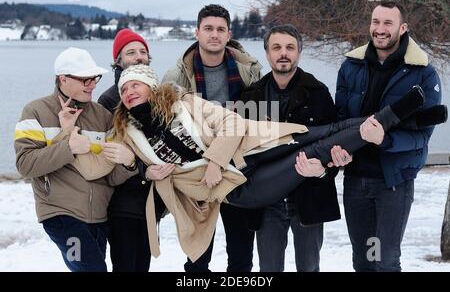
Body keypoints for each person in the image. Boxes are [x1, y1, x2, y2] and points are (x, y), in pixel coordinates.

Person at [70, 63, 446, 265]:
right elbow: (94, 169)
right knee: (310, 156)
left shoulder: (186, 104)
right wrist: (77, 141)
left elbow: (232, 122)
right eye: (123, 89)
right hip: (238, 190)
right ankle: (400, 116)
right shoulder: (126, 136)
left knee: (316, 132)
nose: (129, 90)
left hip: (244, 152)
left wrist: (216, 158)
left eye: (135, 84)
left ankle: (399, 117)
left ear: (152, 87)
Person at [334, 2, 442, 271]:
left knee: (385, 261)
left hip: (393, 181)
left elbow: (422, 138)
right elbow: (338, 121)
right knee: (363, 260)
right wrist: (338, 149)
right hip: (355, 179)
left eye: (388, 23)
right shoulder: (350, 67)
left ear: (403, 28)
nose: (380, 29)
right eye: (375, 22)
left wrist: (385, 140)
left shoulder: (423, 72)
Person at [14, 47, 138, 271]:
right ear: (63, 79)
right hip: (61, 215)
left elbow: (111, 176)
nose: (92, 85)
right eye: (85, 79)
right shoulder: (35, 112)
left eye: (95, 78)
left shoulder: (104, 116)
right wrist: (67, 146)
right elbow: (25, 165)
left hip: (99, 217)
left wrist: (130, 164)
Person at [162, 4, 262, 272]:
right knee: (197, 256)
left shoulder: (248, 70)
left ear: (229, 34)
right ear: (197, 32)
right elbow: (165, 124)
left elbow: (258, 118)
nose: (214, 34)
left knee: (241, 254)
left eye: (220, 29)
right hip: (196, 169)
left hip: (238, 166)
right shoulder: (176, 76)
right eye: (208, 28)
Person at [241, 24, 343, 272]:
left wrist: (321, 171)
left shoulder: (318, 92)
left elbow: (332, 143)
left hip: (308, 195)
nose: (283, 53)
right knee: (269, 270)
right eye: (276, 47)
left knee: (308, 268)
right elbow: (240, 153)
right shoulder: (251, 97)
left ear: (299, 52)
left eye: (290, 47)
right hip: (268, 202)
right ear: (267, 53)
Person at [98, 28, 167, 272]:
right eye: (131, 52)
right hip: (122, 204)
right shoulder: (109, 101)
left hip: (151, 203)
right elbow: (109, 156)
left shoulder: (157, 96)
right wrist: (139, 168)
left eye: (143, 52)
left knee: (142, 265)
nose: (139, 56)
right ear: (118, 60)